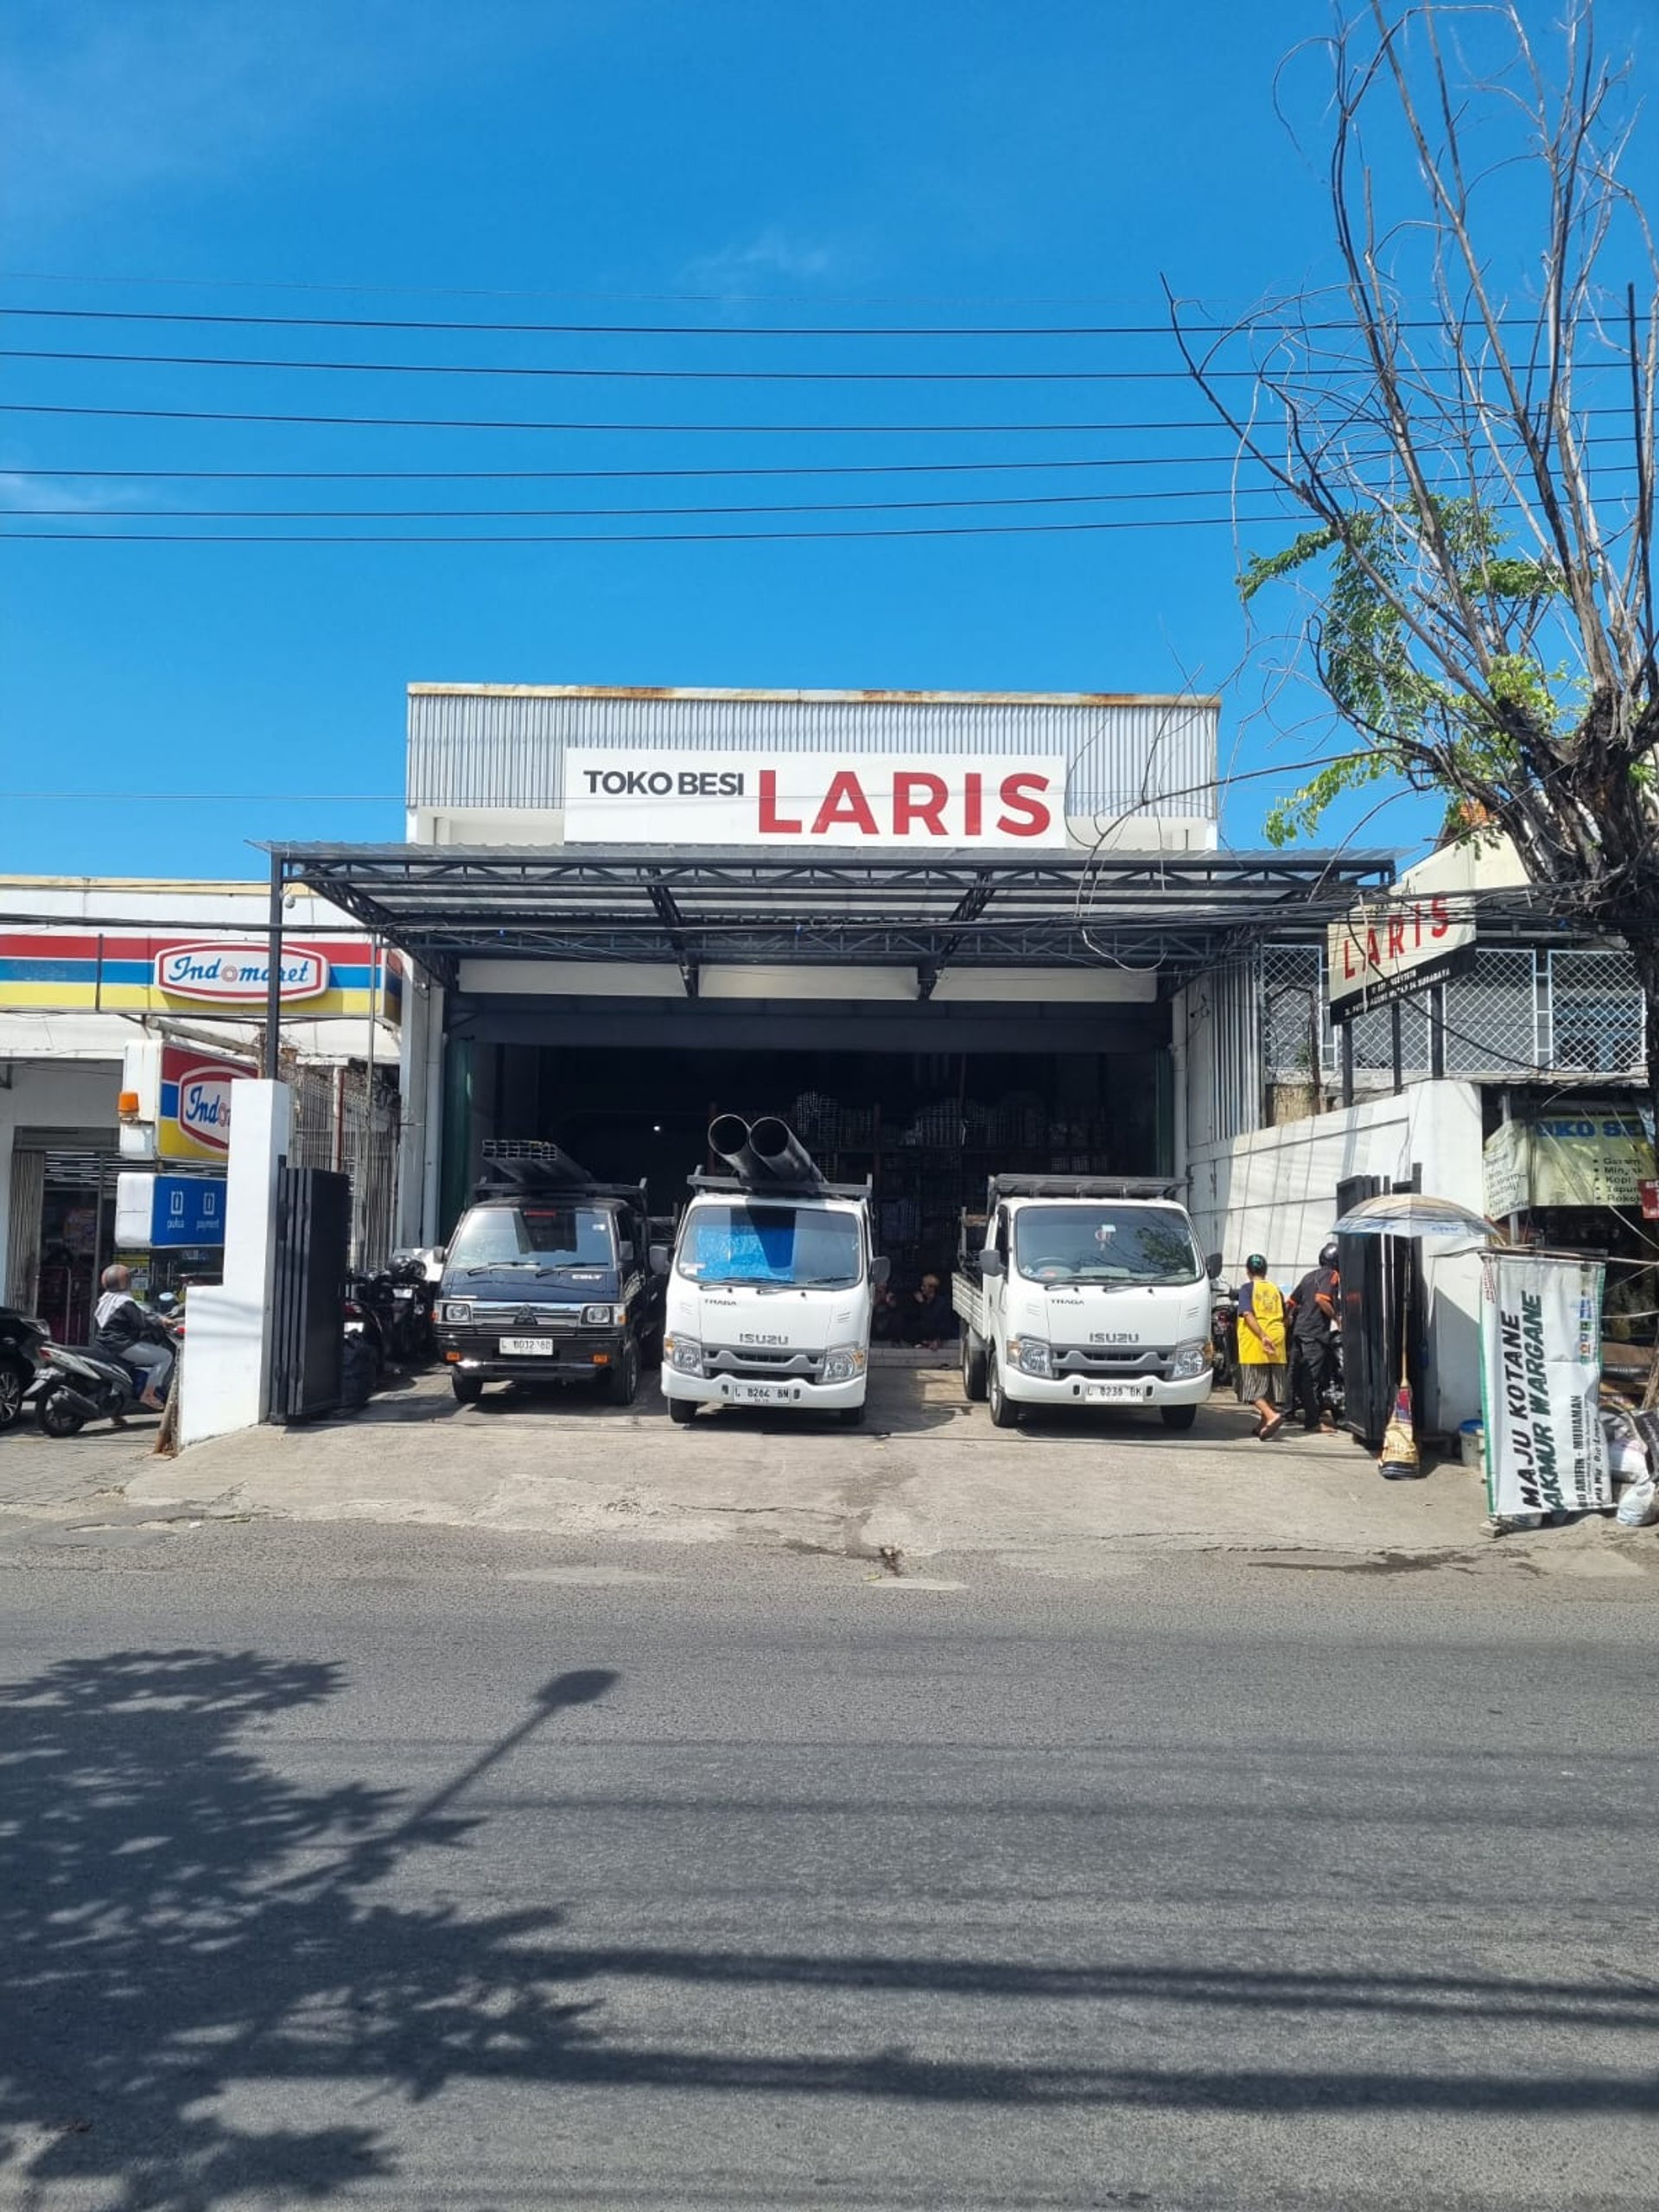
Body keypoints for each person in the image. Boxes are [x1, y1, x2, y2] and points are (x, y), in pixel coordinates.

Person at [92, 1264, 175, 1412]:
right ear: (126, 1281)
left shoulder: (105, 1299)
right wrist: (162, 1321)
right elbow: (142, 1321)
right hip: (121, 1344)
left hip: (103, 1344)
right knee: (165, 1356)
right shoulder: (125, 1302)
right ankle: (148, 1394)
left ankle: (116, 1413)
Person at [1287, 1240, 1341, 1434]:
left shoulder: (1309, 1276)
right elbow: (1321, 1299)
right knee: (1311, 1377)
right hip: (1315, 1333)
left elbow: (1291, 1301)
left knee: (1294, 1374)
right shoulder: (1333, 1275)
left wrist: (1288, 1320)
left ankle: (1289, 1411)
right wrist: (1336, 1318)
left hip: (1299, 1331)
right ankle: (1312, 1421)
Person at [1234, 1252, 1288, 1440]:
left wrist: (1263, 1336)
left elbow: (1247, 1314)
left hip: (1257, 1342)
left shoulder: (1247, 1289)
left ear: (1248, 1271)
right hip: (1278, 1342)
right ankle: (1263, 1424)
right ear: (1265, 1271)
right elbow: (1286, 1317)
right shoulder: (1276, 1290)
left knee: (1250, 1387)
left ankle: (1272, 1417)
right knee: (1270, 1388)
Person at [906, 1272, 953, 1349]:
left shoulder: (941, 1303)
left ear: (932, 1288)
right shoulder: (923, 1300)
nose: (922, 1288)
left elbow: (931, 1319)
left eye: (924, 1286)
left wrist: (923, 1304)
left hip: (937, 1331)